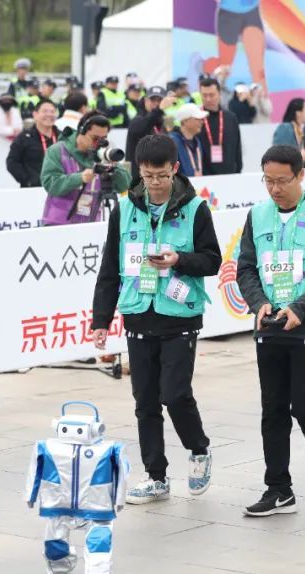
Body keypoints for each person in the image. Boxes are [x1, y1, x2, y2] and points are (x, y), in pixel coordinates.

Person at [91, 133, 221, 504]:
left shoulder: (195, 209)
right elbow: (110, 267)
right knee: (145, 401)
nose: (155, 183)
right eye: (148, 176)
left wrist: (179, 260)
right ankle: (156, 476)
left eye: (162, 175)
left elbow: (212, 260)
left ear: (175, 169)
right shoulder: (125, 209)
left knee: (175, 395)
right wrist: (101, 319)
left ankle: (198, 450)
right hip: (138, 313)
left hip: (179, 316)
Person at [236, 144, 305, 517]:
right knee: (273, 410)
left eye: (282, 180)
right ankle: (278, 489)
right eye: (268, 181)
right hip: (270, 324)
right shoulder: (257, 215)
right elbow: (245, 268)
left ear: (301, 175)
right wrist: (258, 304)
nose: (275, 189)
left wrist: (301, 308)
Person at [24, 402, 129, 574]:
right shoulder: (47, 447)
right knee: (54, 542)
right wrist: (30, 494)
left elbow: (122, 472)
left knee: (99, 541)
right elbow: (35, 469)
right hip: (59, 504)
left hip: (95, 505)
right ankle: (60, 569)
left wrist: (120, 498)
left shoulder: (109, 449)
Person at [40, 111, 131, 226]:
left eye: (103, 139)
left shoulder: (101, 155)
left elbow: (125, 186)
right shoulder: (57, 150)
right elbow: (50, 184)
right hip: (59, 223)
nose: (98, 143)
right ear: (81, 131)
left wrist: (114, 167)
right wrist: (80, 178)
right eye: (95, 138)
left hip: (89, 225)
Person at [203, 0, 267, 96]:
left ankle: (263, 99)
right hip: (228, 14)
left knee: (257, 66)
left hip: (252, 12)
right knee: (225, 67)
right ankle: (207, 70)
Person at [126, 86, 175, 184]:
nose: (156, 103)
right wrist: (159, 110)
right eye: (153, 100)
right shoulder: (138, 119)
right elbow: (143, 127)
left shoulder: (165, 119)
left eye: (159, 100)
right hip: (140, 179)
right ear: (145, 101)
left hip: (160, 176)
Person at [7, 98, 59, 188]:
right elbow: (12, 162)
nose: (49, 114)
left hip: (60, 188)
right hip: (34, 189)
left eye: (52, 112)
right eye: (45, 111)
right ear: (35, 114)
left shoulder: (63, 137)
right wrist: (28, 181)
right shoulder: (24, 138)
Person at [198, 77, 242, 175]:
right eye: (204, 95)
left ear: (219, 94)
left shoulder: (230, 118)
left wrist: (238, 170)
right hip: (204, 176)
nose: (208, 99)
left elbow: (237, 147)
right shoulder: (196, 118)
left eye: (211, 95)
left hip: (229, 173)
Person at [272, 98, 305, 167]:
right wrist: (301, 155)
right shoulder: (285, 127)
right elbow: (279, 153)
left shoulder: (298, 130)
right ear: (298, 113)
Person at [169, 103, 208, 178]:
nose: (201, 122)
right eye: (197, 119)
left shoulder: (197, 142)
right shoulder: (171, 142)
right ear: (185, 121)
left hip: (197, 184)